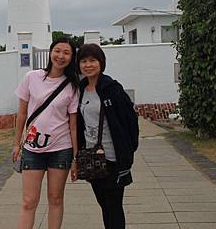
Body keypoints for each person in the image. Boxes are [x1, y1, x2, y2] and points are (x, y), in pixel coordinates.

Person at [12, 37, 80, 229]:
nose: (61, 56)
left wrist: (75, 157)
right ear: (51, 52)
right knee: (28, 201)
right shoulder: (31, 77)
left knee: (56, 199)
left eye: (67, 53)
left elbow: (73, 125)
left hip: (61, 148)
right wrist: (17, 143)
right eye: (57, 51)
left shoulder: (72, 86)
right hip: (32, 148)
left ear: (72, 57)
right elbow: (22, 113)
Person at [74, 43, 139, 229]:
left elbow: (130, 121)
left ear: (101, 62)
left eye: (92, 60)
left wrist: (127, 151)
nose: (88, 65)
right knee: (104, 204)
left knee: (114, 206)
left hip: (113, 157)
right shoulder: (81, 89)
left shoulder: (112, 89)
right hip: (92, 158)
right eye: (84, 61)